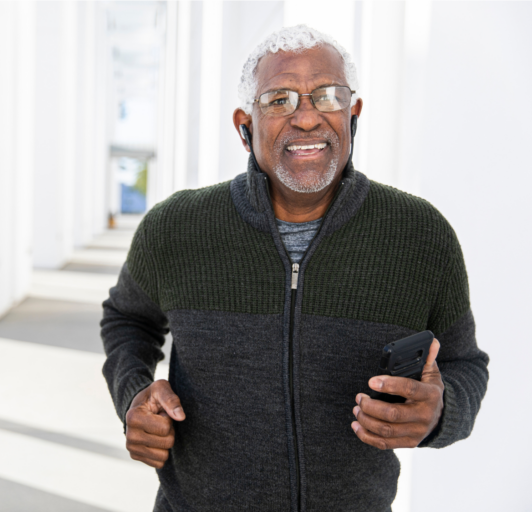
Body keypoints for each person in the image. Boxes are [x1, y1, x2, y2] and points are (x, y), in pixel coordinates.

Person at [101, 24, 488, 512]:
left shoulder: (420, 236)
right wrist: (134, 394)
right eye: (279, 99)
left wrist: (441, 413)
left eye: (327, 96)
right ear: (245, 127)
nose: (307, 118)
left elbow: (464, 364)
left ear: (353, 114)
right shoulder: (177, 228)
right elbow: (126, 319)